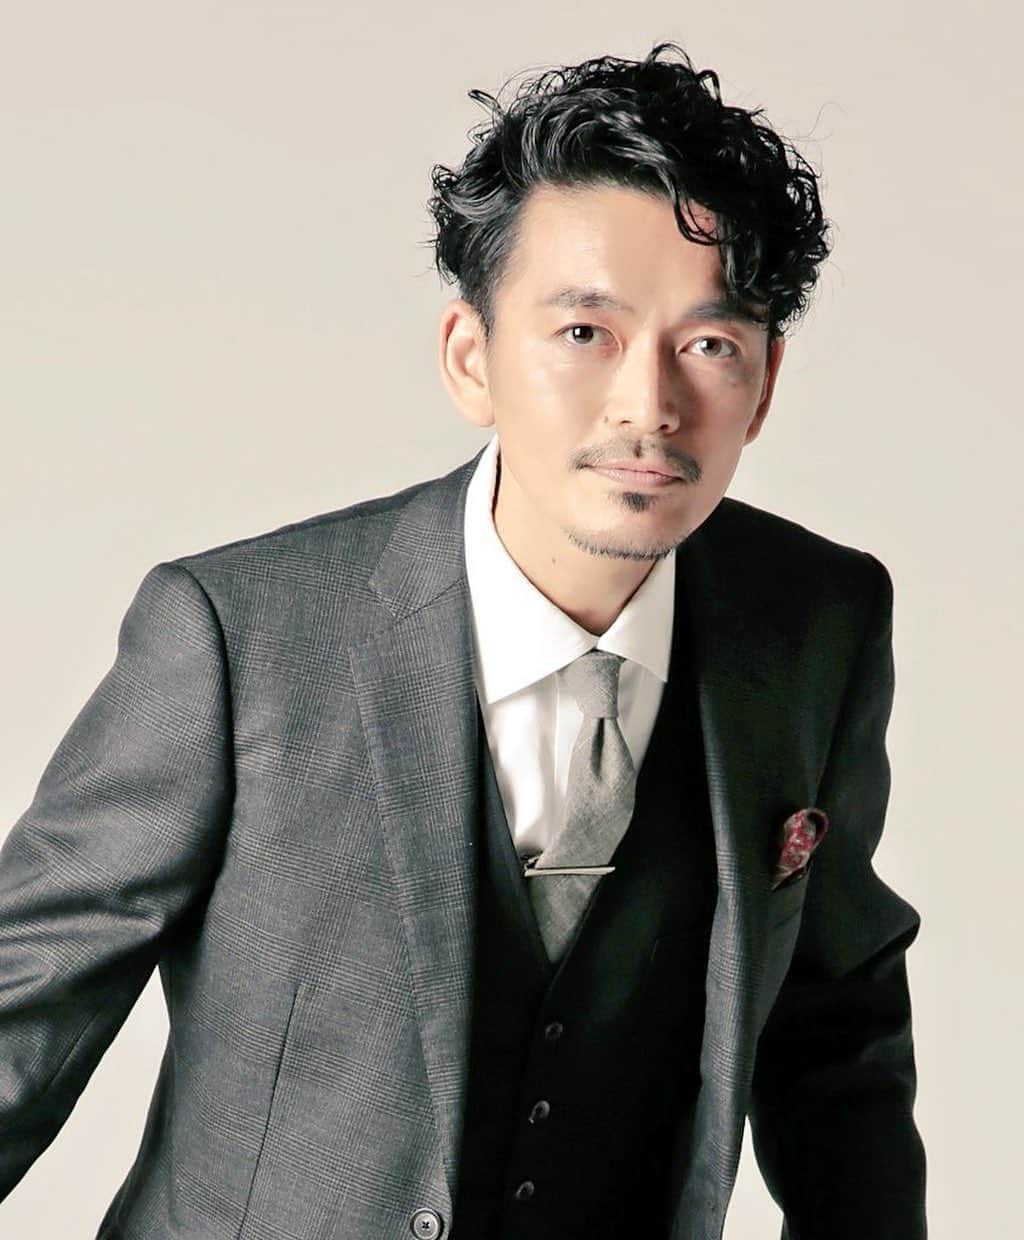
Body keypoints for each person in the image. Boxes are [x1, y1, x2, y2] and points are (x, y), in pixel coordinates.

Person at [0, 40, 926, 1240]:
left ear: (764, 381)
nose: (648, 405)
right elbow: (22, 1012)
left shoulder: (816, 623)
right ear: (470, 358)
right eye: (584, 332)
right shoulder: (238, 637)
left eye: (707, 344)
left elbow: (834, 1030)